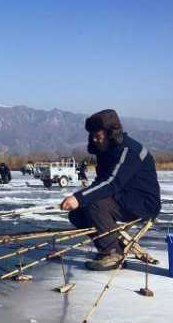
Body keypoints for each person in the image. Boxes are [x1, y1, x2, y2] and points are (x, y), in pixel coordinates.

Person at [60, 109, 161, 271]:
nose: (95, 140)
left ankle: (112, 253)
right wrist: (80, 200)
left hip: (143, 203)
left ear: (111, 133)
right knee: (77, 214)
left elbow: (111, 182)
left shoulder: (128, 150)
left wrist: (79, 198)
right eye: (92, 136)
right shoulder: (106, 151)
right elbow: (102, 181)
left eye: (98, 137)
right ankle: (113, 245)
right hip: (122, 198)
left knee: (94, 203)